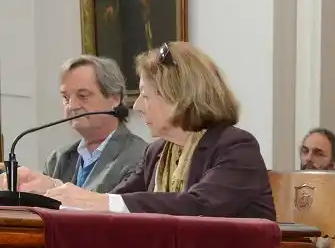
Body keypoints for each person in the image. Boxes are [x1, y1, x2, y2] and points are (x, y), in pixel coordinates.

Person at [39, 42, 274, 220]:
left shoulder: (236, 147)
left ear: (178, 97)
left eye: (146, 95)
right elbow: (113, 199)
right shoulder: (157, 152)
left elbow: (200, 206)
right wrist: (50, 191)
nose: (138, 106)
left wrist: (103, 202)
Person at [6, 56, 147, 195]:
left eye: (83, 96)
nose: (72, 106)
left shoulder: (140, 156)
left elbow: (116, 211)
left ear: (115, 99)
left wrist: (55, 187)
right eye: (65, 98)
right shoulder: (58, 158)